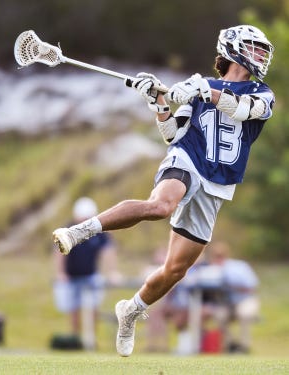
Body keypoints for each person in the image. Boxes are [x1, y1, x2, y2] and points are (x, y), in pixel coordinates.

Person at [52, 25, 275, 357]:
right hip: (186, 158)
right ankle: (80, 231)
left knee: (175, 270)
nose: (261, 55)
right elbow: (172, 134)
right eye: (255, 48)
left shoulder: (262, 92)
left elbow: (243, 109)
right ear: (233, 49)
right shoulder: (198, 85)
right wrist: (157, 102)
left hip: (217, 183)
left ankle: (130, 309)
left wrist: (203, 90)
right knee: (160, 205)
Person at [53, 197, 120, 349]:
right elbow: (58, 253)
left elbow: (108, 251)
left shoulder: (98, 232)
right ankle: (76, 340)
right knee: (74, 310)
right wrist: (61, 273)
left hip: (90, 276)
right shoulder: (68, 230)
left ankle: (91, 339)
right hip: (72, 277)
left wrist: (112, 272)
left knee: (93, 308)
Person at [204, 241, 260, 353]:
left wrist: (230, 285)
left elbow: (252, 286)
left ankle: (244, 346)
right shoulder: (209, 269)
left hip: (244, 300)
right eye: (215, 255)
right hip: (225, 304)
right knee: (219, 315)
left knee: (245, 314)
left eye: (220, 255)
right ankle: (230, 345)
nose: (218, 257)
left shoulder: (239, 266)